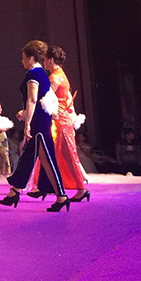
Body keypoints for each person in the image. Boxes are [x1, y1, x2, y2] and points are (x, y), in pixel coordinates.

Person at [0, 40, 70, 212]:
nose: (22, 61)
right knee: (31, 157)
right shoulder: (41, 74)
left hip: (38, 122)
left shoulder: (33, 74)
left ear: (31, 58)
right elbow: (37, 101)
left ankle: (61, 196)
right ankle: (15, 191)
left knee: (46, 158)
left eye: (24, 57)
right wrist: (25, 114)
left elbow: (32, 100)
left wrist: (27, 123)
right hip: (41, 119)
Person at [43, 46, 89, 201]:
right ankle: (54, 186)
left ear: (50, 60)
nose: (44, 62)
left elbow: (47, 99)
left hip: (60, 121)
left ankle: (81, 188)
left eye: (45, 59)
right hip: (63, 119)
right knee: (63, 155)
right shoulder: (62, 75)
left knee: (67, 155)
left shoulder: (54, 78)